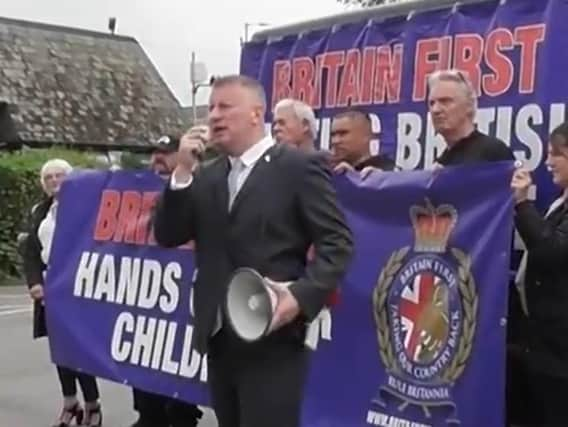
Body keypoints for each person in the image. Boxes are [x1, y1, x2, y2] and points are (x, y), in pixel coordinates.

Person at [152, 74, 354, 427]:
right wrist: (182, 172)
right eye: (211, 107)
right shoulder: (207, 175)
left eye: (225, 107)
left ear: (255, 113)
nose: (214, 115)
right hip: (218, 338)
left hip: (272, 338)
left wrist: (300, 298)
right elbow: (168, 235)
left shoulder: (297, 168)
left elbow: (337, 244)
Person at [128, 134, 203, 427]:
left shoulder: (196, 187)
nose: (158, 159)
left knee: (179, 357)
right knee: (144, 355)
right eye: (155, 153)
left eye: (166, 153)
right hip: (148, 290)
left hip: (186, 294)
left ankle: (182, 415)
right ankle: (148, 415)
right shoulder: (135, 185)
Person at [23, 159, 102, 427]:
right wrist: (35, 282)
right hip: (50, 289)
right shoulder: (39, 211)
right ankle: (70, 402)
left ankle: (92, 404)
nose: (54, 181)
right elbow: (31, 251)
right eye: (49, 178)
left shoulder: (86, 209)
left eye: (60, 176)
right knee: (59, 350)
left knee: (78, 350)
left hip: (77, 287)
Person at [511, 121, 568, 426]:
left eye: (554, 154)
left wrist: (522, 204)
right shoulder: (560, 203)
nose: (547, 162)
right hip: (544, 348)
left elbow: (552, 250)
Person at [330, 108, 396, 175]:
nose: (335, 141)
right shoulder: (327, 172)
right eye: (333, 135)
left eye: (343, 133)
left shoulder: (388, 171)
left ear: (366, 136)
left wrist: (378, 180)